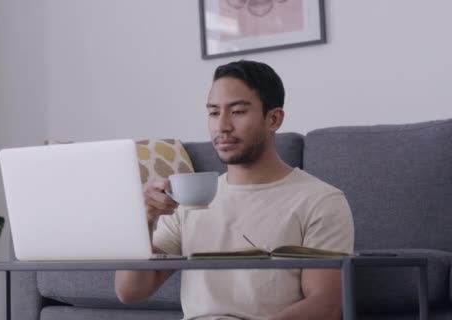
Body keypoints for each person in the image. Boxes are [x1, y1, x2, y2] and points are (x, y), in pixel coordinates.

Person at [114, 60, 354, 320]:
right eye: (214, 113)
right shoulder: (187, 201)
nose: (222, 126)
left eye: (238, 112)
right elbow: (131, 292)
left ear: (273, 119)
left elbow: (325, 305)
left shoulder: (320, 201)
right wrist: (146, 220)